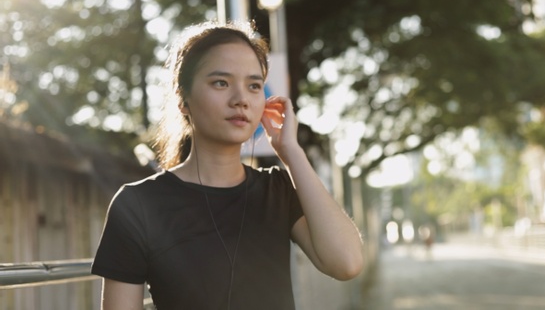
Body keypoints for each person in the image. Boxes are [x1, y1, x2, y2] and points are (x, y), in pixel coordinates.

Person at [91, 20, 364, 310]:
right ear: (183, 99)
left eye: (254, 86)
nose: (241, 100)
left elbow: (346, 263)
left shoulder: (278, 190)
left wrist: (291, 152)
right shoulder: (137, 204)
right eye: (221, 83)